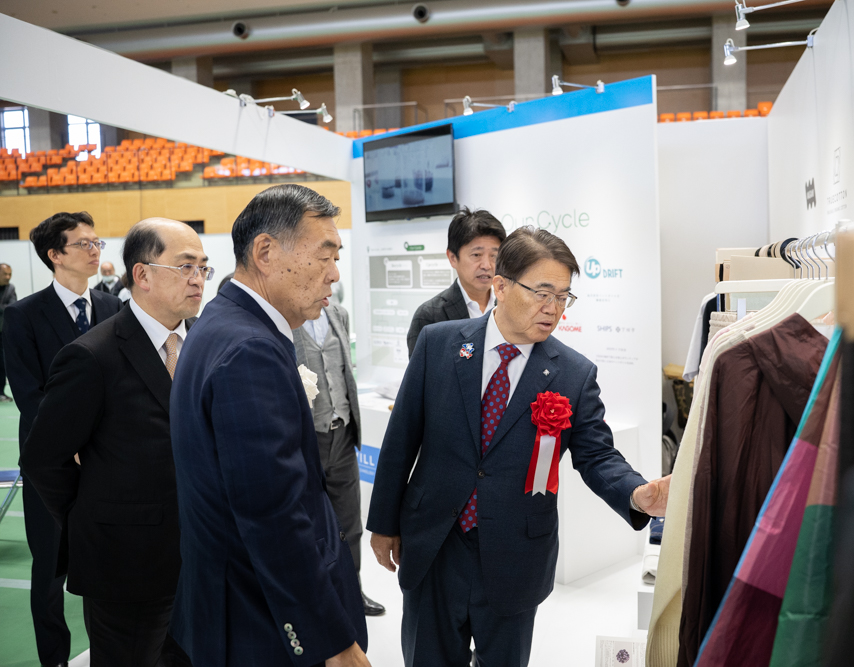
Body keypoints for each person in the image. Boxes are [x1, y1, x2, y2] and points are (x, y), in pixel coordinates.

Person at [368, 226, 672, 666]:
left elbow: (597, 454)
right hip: (435, 544)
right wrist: (382, 524)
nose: (554, 309)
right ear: (501, 285)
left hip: (515, 554)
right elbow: (401, 440)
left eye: (564, 297)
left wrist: (636, 493)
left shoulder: (573, 373)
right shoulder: (439, 344)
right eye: (542, 293)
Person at [170, 184, 369, 666]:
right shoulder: (250, 350)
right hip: (260, 620)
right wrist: (331, 641)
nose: (334, 273)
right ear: (265, 252)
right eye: (325, 255)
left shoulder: (221, 323)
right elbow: (273, 516)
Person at [20, 219, 207, 667]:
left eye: (203, 268)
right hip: (125, 565)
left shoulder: (203, 343)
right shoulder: (92, 355)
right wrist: (93, 515)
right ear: (142, 275)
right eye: (185, 267)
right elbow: (44, 458)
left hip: (199, 559)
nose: (198, 279)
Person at [3, 211, 123, 667]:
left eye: (97, 242)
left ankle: (108, 651)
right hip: (50, 461)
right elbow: (28, 392)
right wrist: (67, 444)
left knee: (108, 562)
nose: (94, 250)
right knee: (50, 565)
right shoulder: (23, 315)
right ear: (55, 255)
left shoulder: (113, 308)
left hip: (107, 458)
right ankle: (53, 657)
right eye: (83, 244)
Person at [295, 303, 386, 618]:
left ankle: (352, 591)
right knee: (309, 523)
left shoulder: (338, 314)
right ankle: (318, 597)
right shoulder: (287, 314)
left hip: (343, 433)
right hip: (308, 437)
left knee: (349, 522)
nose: (330, 279)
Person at [406, 207, 506, 357]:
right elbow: (422, 371)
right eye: (476, 255)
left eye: (494, 256)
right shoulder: (429, 316)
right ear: (452, 258)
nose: (487, 265)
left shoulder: (508, 306)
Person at [0, 262, 17, 402]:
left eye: (9, 274)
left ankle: (1, 392)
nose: (8, 277)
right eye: (5, 274)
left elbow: (11, 307)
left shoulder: (10, 288)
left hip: (2, 332)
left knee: (2, 363)